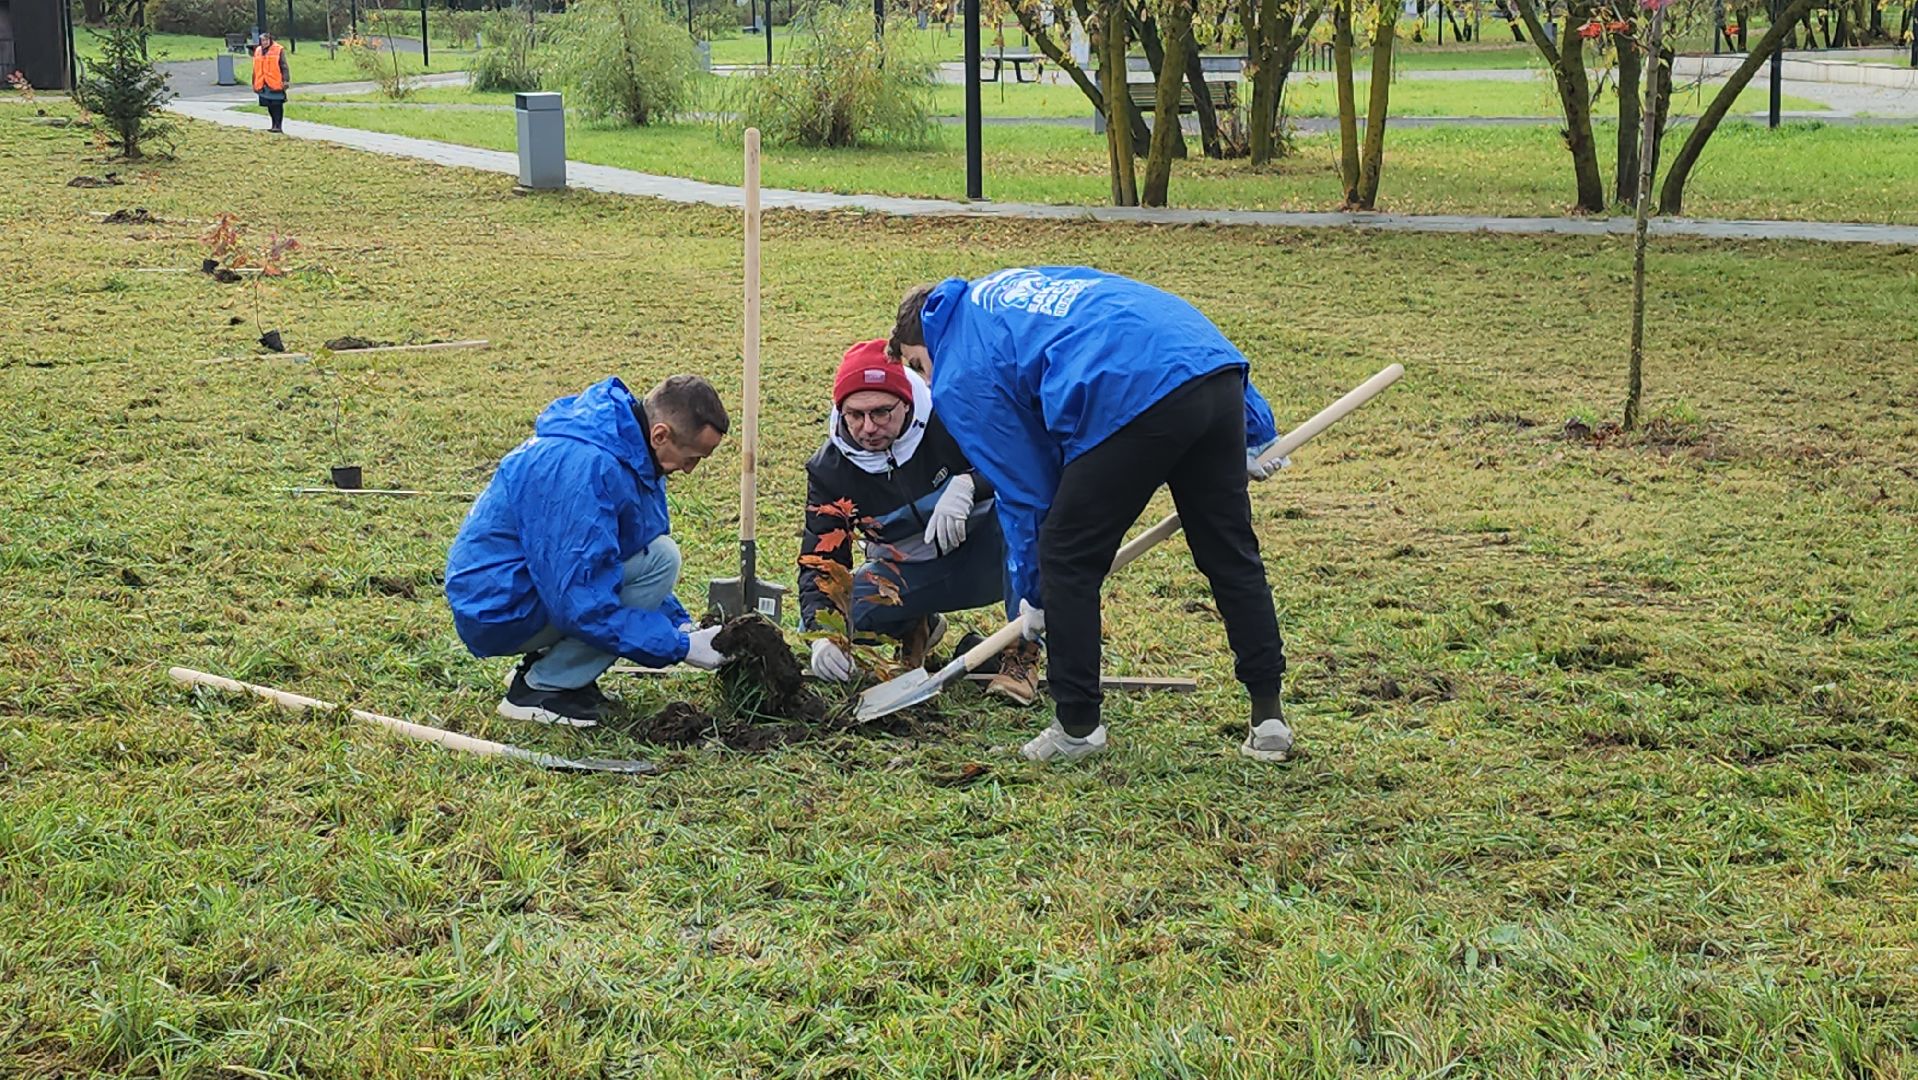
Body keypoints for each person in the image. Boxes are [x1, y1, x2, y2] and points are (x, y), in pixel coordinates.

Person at [887, 267, 1294, 764]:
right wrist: (1253, 429)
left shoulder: (959, 360)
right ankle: (1268, 717)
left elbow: (1029, 492)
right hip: (1212, 375)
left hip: (1129, 395)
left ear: (922, 341)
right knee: (1229, 551)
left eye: (917, 366)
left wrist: (1036, 594)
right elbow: (1165, 324)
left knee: (1065, 554)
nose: (928, 379)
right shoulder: (1016, 288)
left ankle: (1077, 726)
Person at [445, 375, 733, 728]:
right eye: (691, 458)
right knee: (662, 559)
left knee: (657, 556)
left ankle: (550, 667)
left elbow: (627, 554)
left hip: (523, 589)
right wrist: (679, 647)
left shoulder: (628, 452)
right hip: (497, 607)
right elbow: (580, 599)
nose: (689, 470)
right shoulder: (584, 468)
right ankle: (540, 690)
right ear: (660, 435)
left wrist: (681, 625)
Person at [798, 340, 1039, 700]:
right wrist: (824, 639)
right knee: (823, 620)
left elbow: (1026, 464)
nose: (868, 427)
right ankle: (916, 626)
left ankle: (1020, 656)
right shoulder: (831, 470)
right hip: (907, 576)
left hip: (988, 559)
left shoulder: (950, 417)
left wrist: (971, 483)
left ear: (907, 403)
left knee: (1023, 516)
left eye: (882, 412)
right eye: (855, 415)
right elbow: (822, 562)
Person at [252, 32, 290, 134]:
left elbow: (284, 66)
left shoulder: (278, 50)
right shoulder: (258, 51)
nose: (264, 42)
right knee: (269, 105)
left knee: (277, 105)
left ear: (270, 40)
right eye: (262, 40)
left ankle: (278, 126)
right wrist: (254, 82)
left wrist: (285, 80)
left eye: (266, 40)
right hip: (263, 83)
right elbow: (255, 68)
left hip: (276, 82)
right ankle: (273, 125)